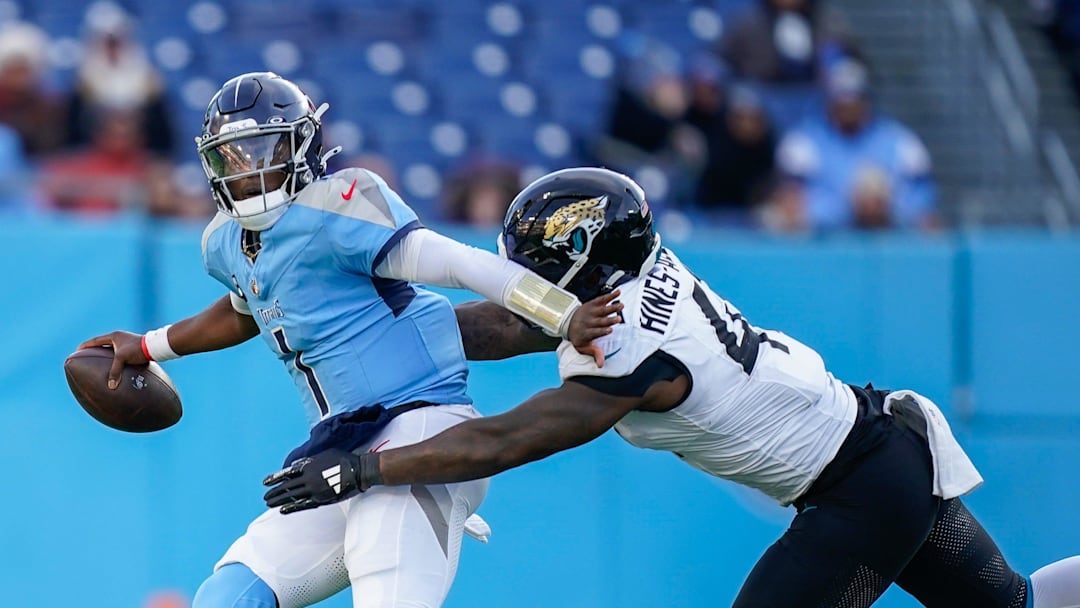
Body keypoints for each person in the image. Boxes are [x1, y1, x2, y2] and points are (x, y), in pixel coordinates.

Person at [264, 167, 1080, 607]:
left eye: (537, 267)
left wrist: (363, 470)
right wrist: (370, 331)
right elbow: (520, 321)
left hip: (861, 492)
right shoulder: (631, 270)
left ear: (588, 261)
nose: (521, 280)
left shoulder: (636, 351)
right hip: (881, 451)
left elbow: (504, 440)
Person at [77, 72, 619, 608]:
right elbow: (245, 310)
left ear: (302, 146)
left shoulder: (337, 206)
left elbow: (455, 263)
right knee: (228, 595)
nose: (248, 172)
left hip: (418, 426)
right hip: (337, 450)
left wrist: (563, 314)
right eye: (232, 158)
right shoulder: (225, 240)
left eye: (262, 151)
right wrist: (149, 347)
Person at [775, 59, 938, 231]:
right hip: (823, 244)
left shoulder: (901, 142)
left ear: (867, 100)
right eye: (842, 100)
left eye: (855, 99)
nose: (849, 108)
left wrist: (883, 206)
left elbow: (923, 207)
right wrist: (847, 209)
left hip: (889, 241)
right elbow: (790, 205)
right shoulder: (802, 142)